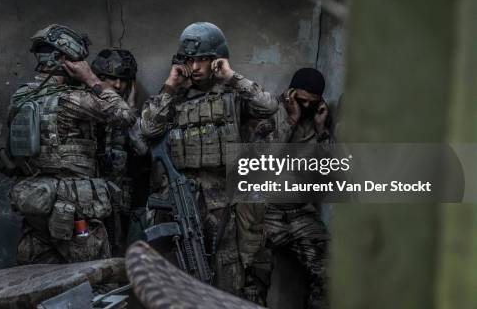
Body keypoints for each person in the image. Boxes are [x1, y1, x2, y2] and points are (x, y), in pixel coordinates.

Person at [140, 22, 278, 295]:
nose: (195, 67)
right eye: (190, 60)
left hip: (223, 203)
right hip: (181, 199)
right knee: (179, 277)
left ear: (216, 60)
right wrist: (170, 86)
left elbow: (269, 106)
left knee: (226, 275)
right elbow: (148, 129)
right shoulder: (171, 98)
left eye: (202, 60)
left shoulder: (233, 94)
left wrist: (232, 77)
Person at [0, 24, 136, 265]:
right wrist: (90, 78)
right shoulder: (73, 100)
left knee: (38, 282)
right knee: (91, 281)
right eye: (79, 59)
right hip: (74, 211)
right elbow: (124, 115)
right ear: (65, 59)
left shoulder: (20, 97)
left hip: (35, 207)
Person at [238, 67, 332, 308]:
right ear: (290, 94)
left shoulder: (317, 121)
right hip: (265, 211)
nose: (306, 108)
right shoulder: (271, 114)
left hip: (300, 212)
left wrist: (322, 132)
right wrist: (290, 120)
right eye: (301, 100)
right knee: (251, 280)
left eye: (312, 103)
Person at [90, 48, 148, 254]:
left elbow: (142, 149)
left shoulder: (128, 114)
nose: (117, 85)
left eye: (123, 80)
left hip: (119, 204)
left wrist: (129, 113)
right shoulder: (83, 106)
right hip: (87, 202)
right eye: (112, 79)